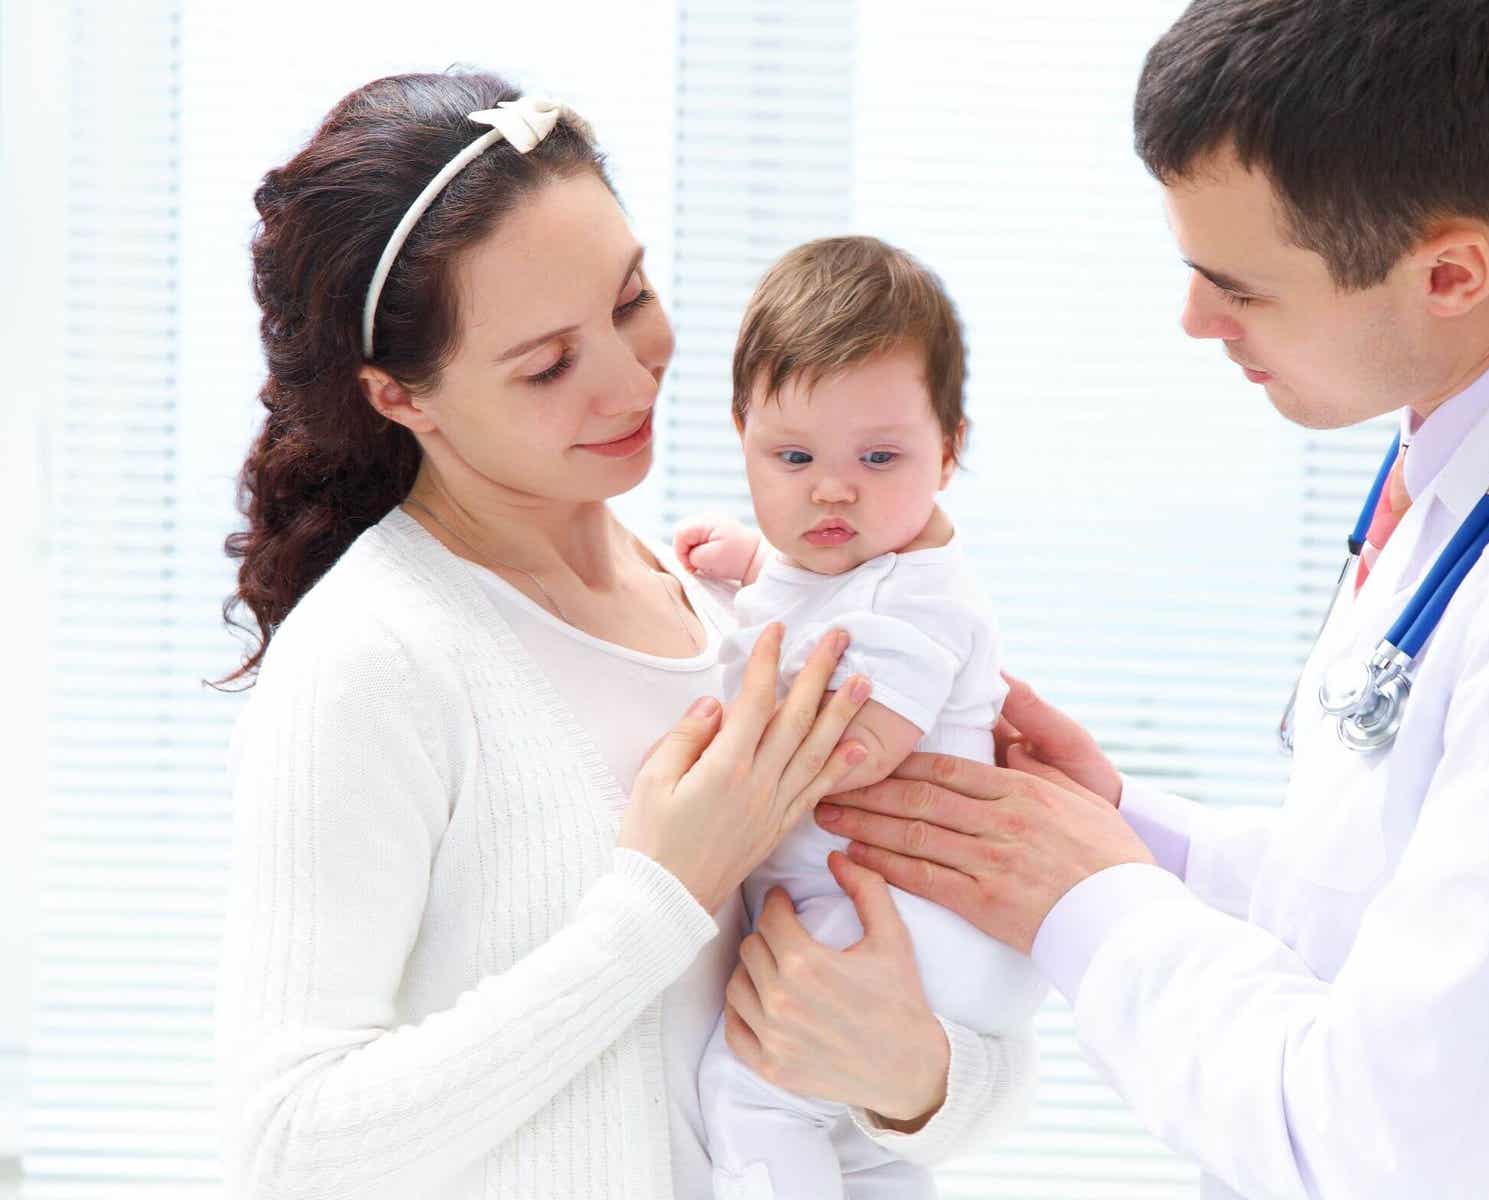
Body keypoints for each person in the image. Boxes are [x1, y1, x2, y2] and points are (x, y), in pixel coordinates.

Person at [815, 0, 1489, 1196]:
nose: (1195, 319)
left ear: (1450, 269)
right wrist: (1141, 843)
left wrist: (1085, 904)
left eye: (1241, 287)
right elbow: (1420, 906)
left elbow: (1381, 1148)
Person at [213, 71, 1032, 1200]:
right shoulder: (373, 658)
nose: (629, 373)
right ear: (404, 398)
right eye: (548, 364)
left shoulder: (733, 603)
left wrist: (916, 1076)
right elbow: (289, 1146)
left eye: (631, 295)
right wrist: (660, 896)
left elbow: (949, 1067)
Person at [673, 236, 1048, 1199]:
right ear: (741, 434)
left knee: (753, 1090)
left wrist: (708, 706)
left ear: (949, 451)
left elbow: (851, 743)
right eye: (792, 456)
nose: (832, 488)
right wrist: (759, 565)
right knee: (858, 1148)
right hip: (918, 933)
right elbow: (831, 598)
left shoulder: (917, 604)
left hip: (905, 927)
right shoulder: (868, 570)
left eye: (879, 457)